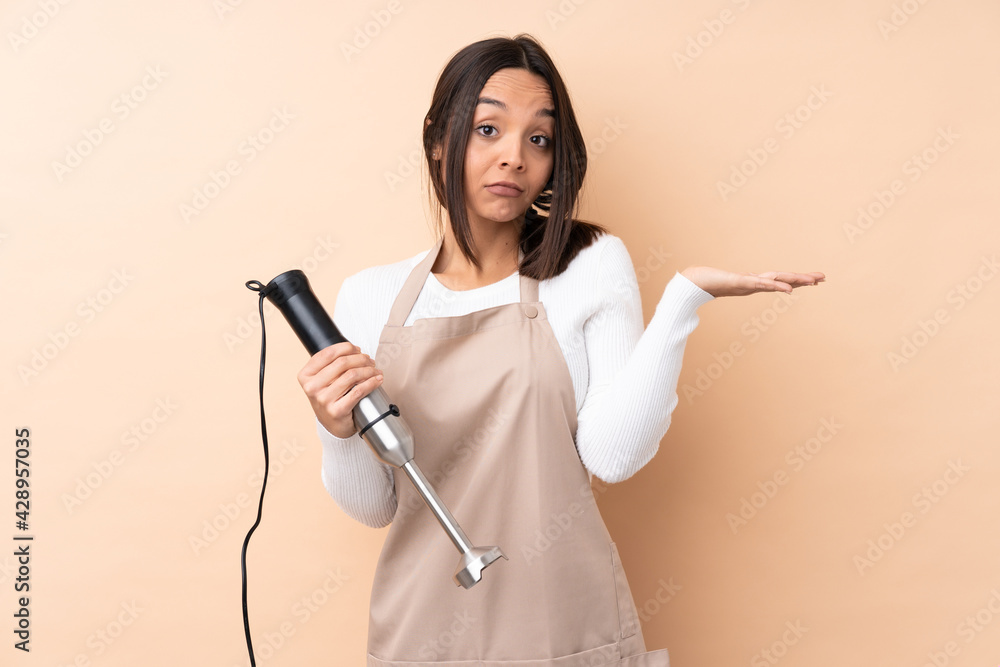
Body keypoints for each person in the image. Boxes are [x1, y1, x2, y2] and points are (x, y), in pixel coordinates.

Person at [298, 33, 824, 666]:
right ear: (439, 139)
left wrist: (683, 302)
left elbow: (613, 454)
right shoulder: (369, 297)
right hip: (422, 636)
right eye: (488, 129)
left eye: (538, 138)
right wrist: (335, 428)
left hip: (565, 631)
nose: (514, 157)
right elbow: (377, 508)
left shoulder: (589, 266)